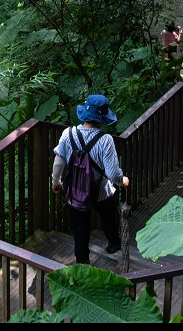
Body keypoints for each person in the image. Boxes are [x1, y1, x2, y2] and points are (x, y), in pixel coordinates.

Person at [51, 94, 130, 265]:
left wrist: (55, 182)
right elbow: (112, 173)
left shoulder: (68, 134)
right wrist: (122, 180)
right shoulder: (106, 140)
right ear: (102, 118)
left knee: (80, 227)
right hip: (100, 191)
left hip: (75, 190)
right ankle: (113, 244)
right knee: (109, 217)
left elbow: (59, 161)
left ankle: (82, 262)